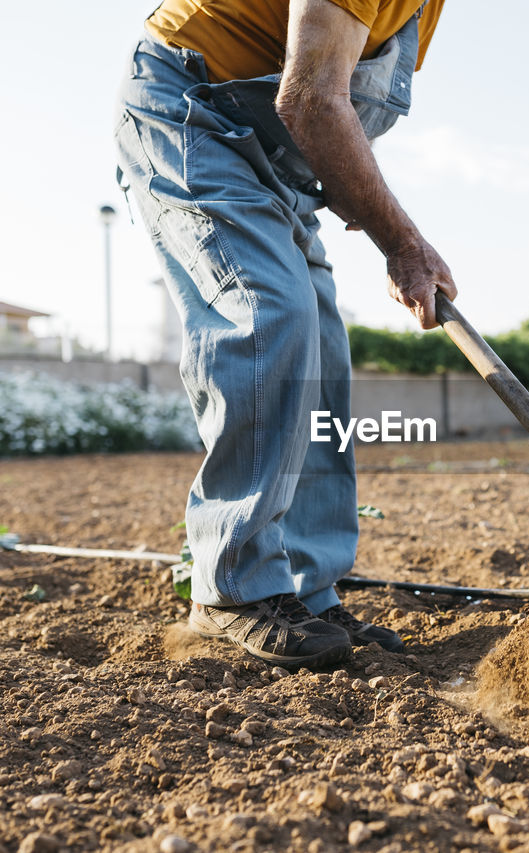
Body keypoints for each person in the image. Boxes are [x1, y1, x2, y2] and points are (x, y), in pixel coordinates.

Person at [114, 0, 455, 669]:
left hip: (280, 157)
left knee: (321, 350)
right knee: (270, 314)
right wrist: (402, 241)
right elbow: (311, 101)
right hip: (192, 111)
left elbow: (342, 105)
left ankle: (303, 589)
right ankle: (233, 586)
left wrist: (361, 192)